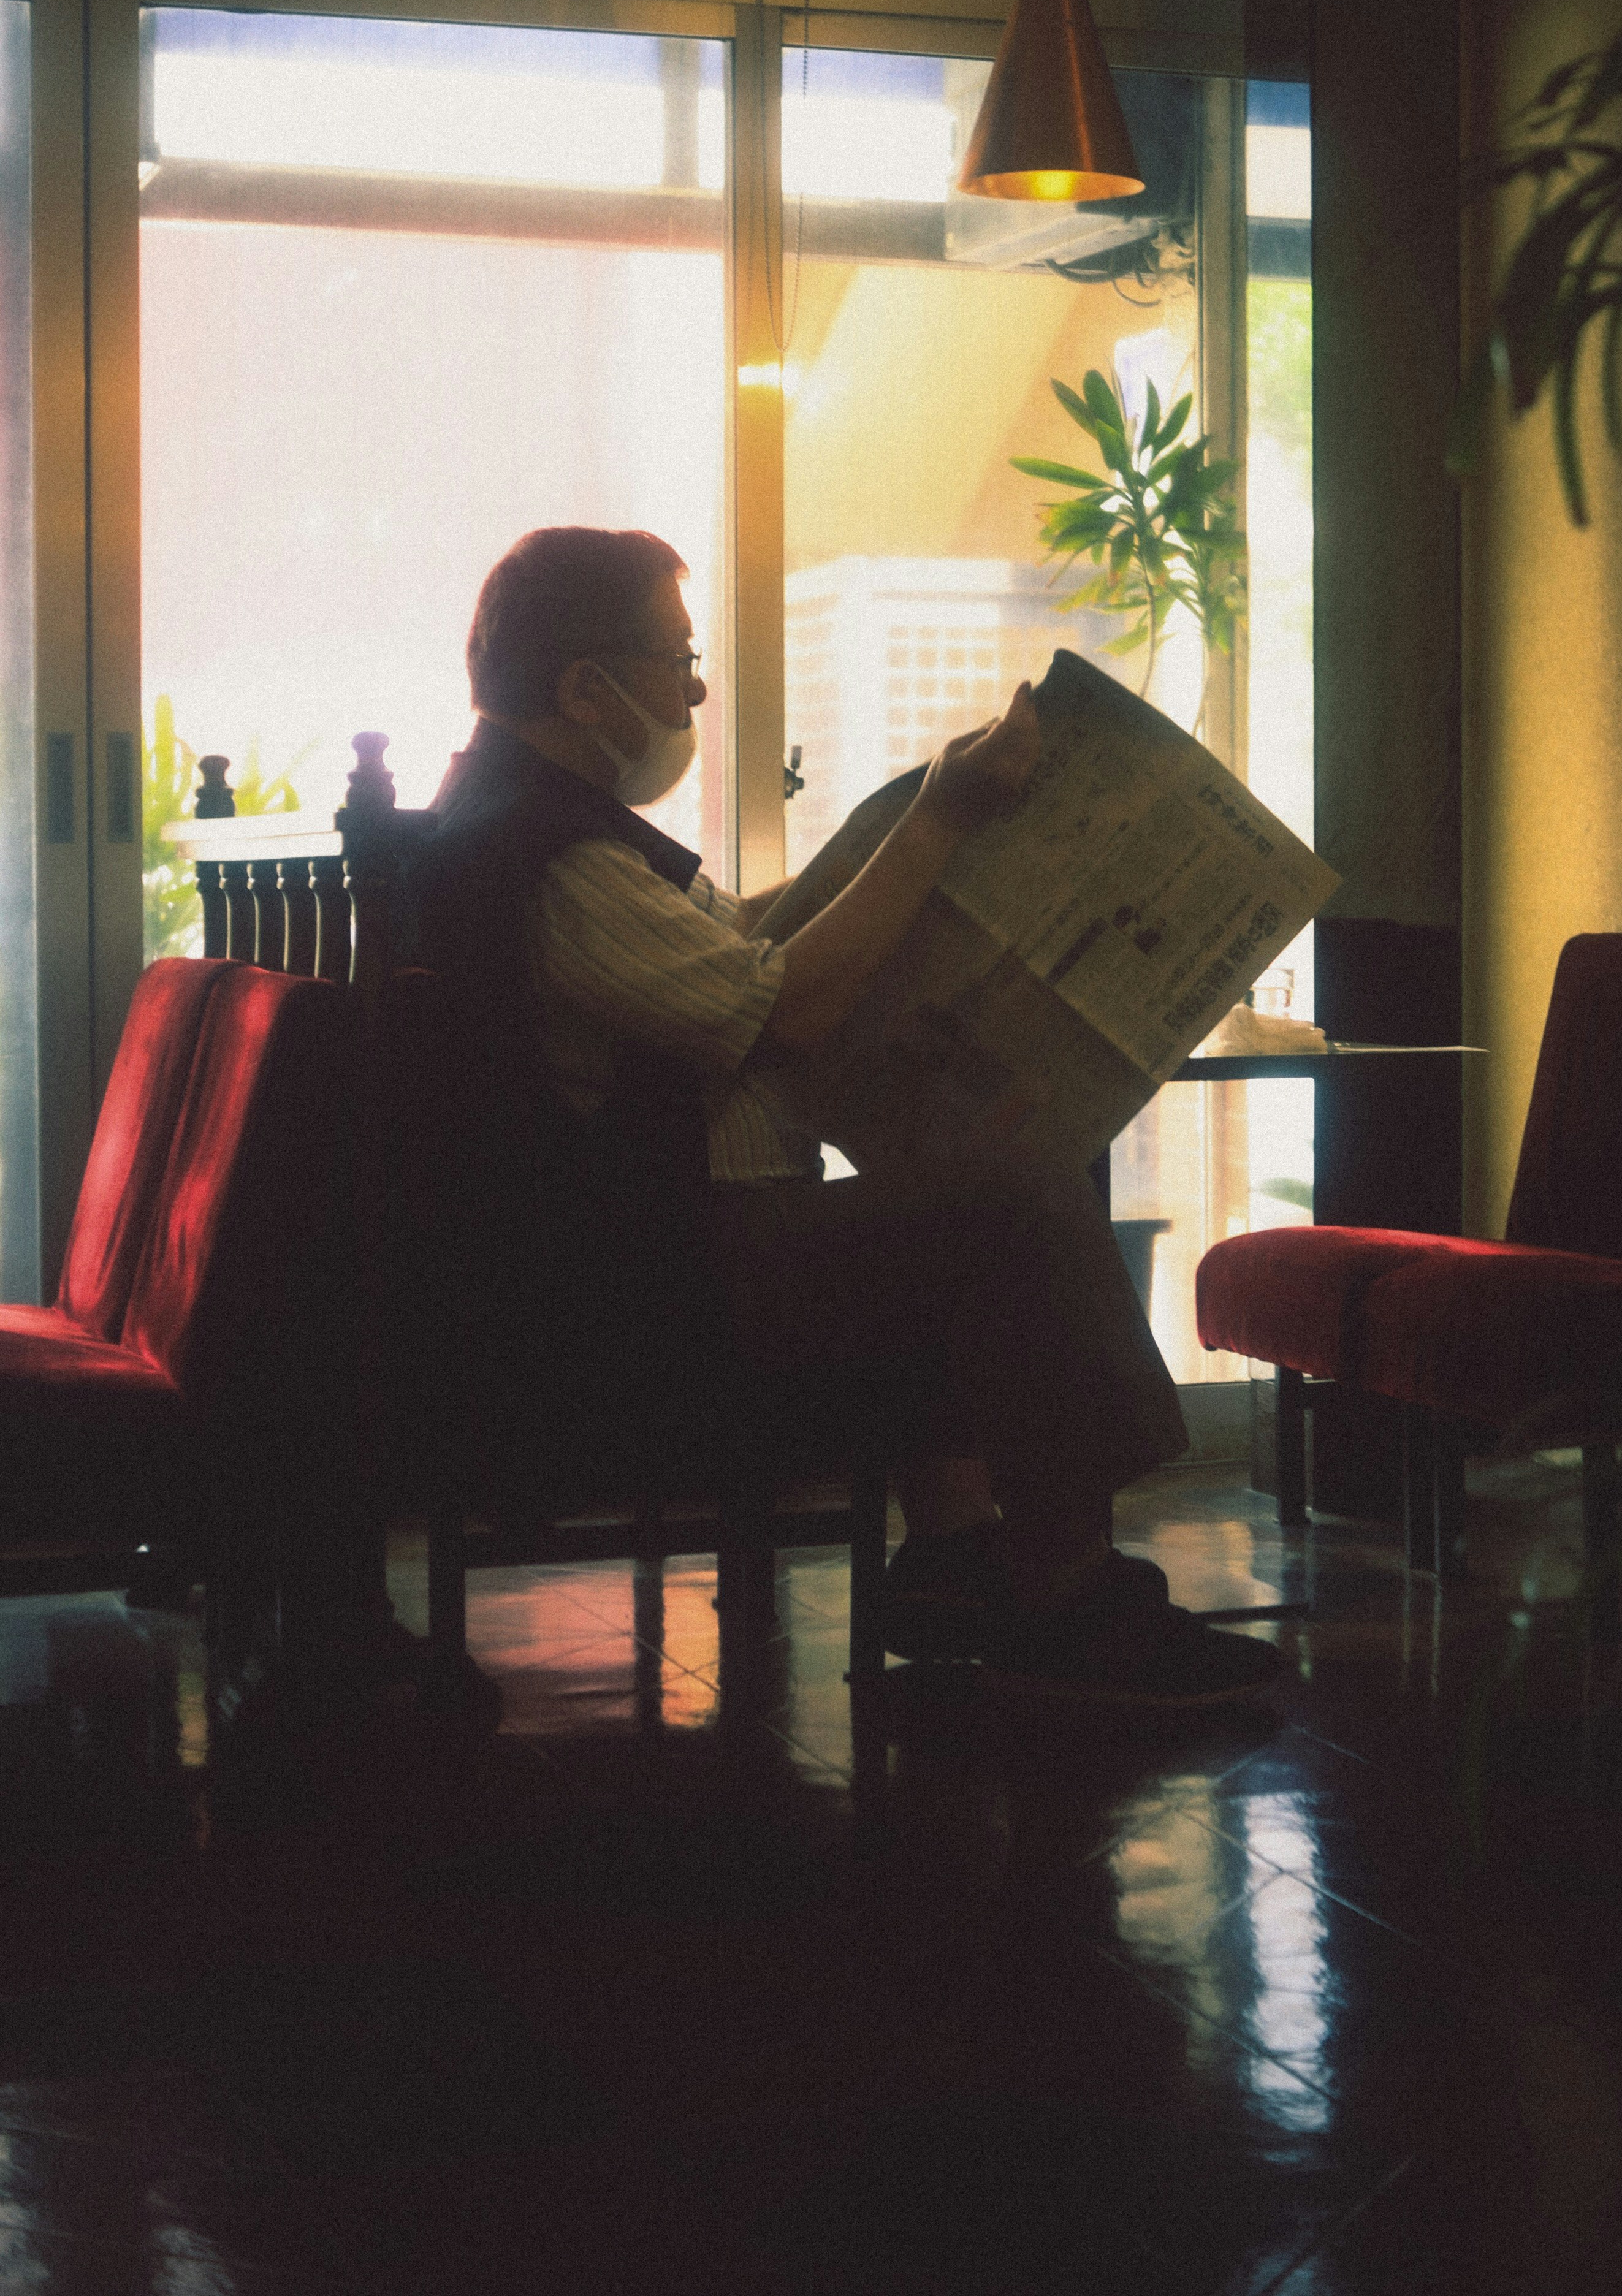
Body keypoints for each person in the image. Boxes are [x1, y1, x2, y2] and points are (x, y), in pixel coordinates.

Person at [417, 525, 1284, 1712]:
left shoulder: (513, 824)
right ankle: (1069, 1591)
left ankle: (954, 1549)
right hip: (649, 1286)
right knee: (1016, 1193)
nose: (698, 688)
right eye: (678, 659)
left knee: (958, 1176)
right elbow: (786, 1012)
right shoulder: (555, 861)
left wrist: (880, 852)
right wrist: (932, 824)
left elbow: (730, 948)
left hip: (635, 1254)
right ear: (584, 690)